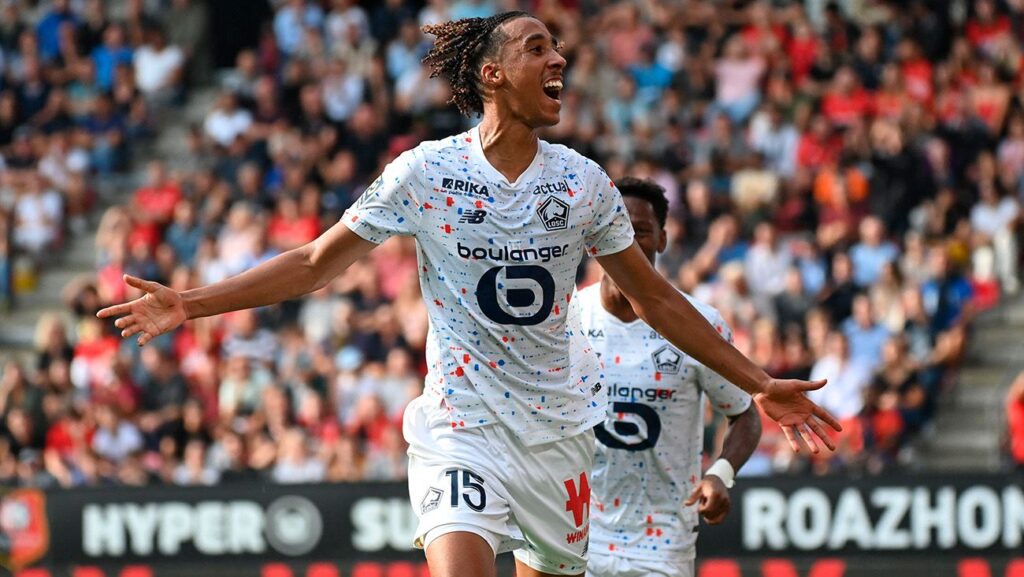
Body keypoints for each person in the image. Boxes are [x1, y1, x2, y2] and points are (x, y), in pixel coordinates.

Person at [98, 12, 839, 577]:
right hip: (463, 427)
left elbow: (659, 300)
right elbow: (316, 262)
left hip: (558, 439)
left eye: (558, 51)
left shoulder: (581, 183)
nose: (560, 60)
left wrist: (758, 381)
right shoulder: (424, 173)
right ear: (490, 74)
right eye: (538, 49)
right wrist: (193, 301)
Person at [579, 178, 762, 577]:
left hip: (662, 544)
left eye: (640, 230)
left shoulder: (698, 326)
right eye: (616, 227)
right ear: (594, 237)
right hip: (575, 537)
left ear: (662, 239)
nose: (626, 240)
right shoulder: (565, 320)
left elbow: (745, 414)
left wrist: (720, 472)